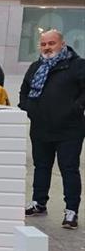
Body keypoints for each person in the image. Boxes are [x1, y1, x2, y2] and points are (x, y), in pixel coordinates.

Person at [20, 29, 85, 229]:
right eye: (43, 44)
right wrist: (28, 109)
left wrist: (76, 108)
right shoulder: (35, 67)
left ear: (62, 44)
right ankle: (39, 202)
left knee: (68, 168)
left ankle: (71, 210)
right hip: (41, 127)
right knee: (41, 167)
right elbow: (25, 90)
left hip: (69, 129)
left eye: (52, 43)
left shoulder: (76, 65)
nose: (47, 48)